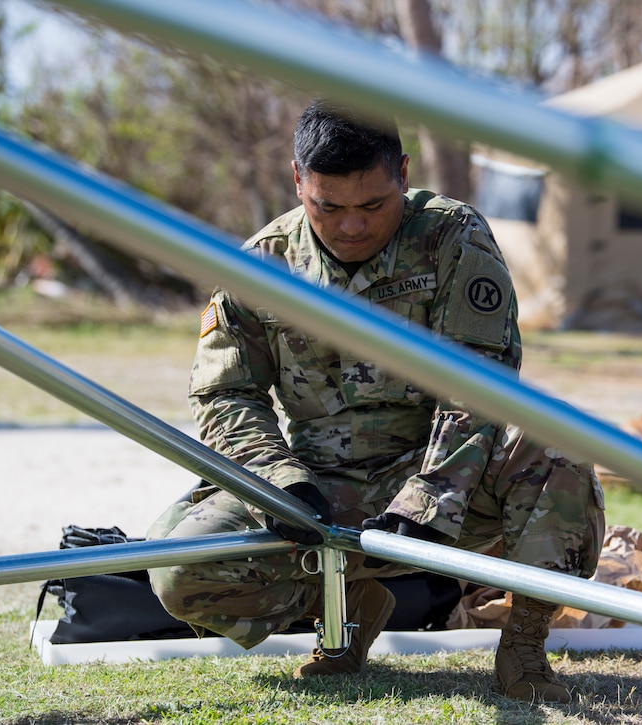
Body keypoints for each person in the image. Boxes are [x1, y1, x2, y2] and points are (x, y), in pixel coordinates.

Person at [146, 98, 605, 703]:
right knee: (180, 571)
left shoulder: (452, 236)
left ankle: (523, 650)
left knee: (559, 453)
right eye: (327, 207)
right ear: (297, 181)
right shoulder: (262, 265)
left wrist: (430, 496)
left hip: (450, 479)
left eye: (372, 205)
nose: (352, 226)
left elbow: (479, 379)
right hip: (321, 486)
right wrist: (280, 483)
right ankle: (345, 604)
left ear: (404, 175)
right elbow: (223, 394)